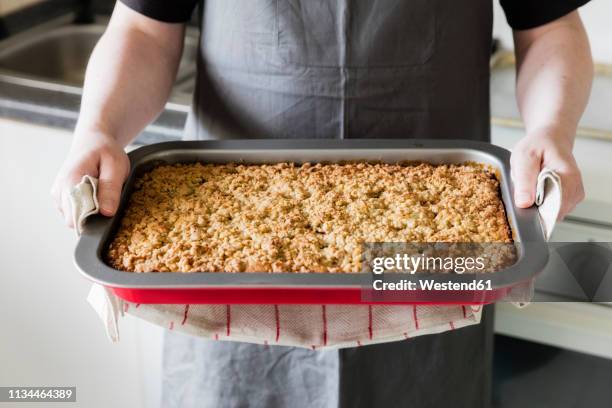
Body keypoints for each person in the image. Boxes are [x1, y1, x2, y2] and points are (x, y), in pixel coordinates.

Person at [52, 1, 593, 407]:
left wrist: (552, 129)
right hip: (228, 263)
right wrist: (97, 129)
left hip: (429, 261)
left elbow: (549, 26)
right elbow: (145, 28)